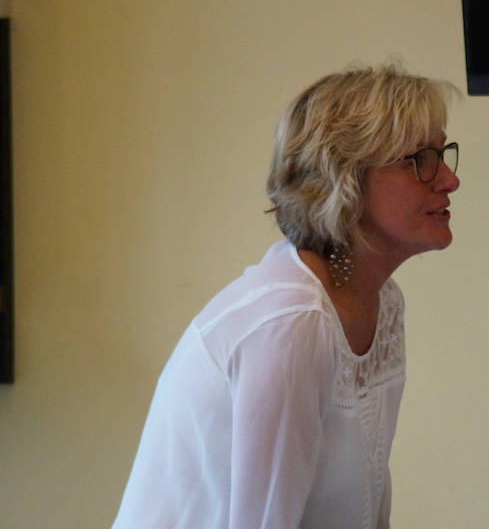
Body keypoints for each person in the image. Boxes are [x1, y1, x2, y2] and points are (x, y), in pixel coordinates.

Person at [111, 62, 460, 529]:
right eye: (420, 160)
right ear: (345, 177)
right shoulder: (291, 321)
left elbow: (365, 502)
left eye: (442, 154)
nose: (449, 179)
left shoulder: (384, 301)